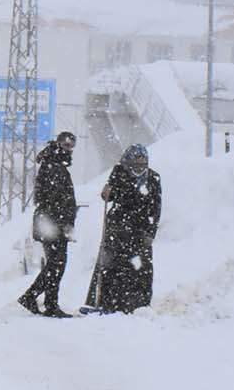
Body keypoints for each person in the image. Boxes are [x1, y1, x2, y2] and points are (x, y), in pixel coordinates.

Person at [93, 143, 162, 313]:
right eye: (136, 162)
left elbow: (156, 207)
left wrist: (151, 232)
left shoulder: (153, 178)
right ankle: (109, 303)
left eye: (143, 162)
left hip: (140, 230)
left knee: (141, 270)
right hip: (118, 228)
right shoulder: (119, 172)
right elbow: (110, 197)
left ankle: (138, 305)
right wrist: (106, 193)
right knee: (113, 267)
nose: (140, 166)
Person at [17, 131, 78, 318]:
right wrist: (64, 222)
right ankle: (33, 297)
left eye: (72, 147)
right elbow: (55, 199)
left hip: (52, 223)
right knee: (56, 265)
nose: (70, 150)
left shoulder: (53, 163)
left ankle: (50, 303)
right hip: (51, 224)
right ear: (59, 145)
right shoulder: (53, 166)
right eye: (67, 146)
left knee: (55, 264)